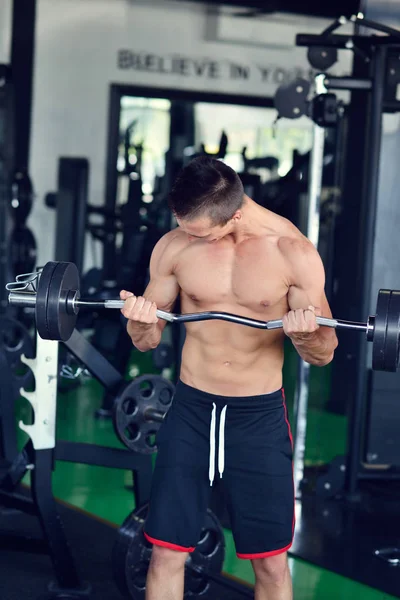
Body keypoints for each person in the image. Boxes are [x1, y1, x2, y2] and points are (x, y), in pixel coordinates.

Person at [120, 156, 338, 600]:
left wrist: (305, 335)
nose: (188, 236)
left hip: (256, 416)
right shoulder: (175, 246)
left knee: (271, 563)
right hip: (191, 409)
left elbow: (325, 353)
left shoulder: (292, 253)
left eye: (199, 231)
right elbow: (145, 340)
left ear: (235, 215)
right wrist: (141, 320)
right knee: (165, 552)